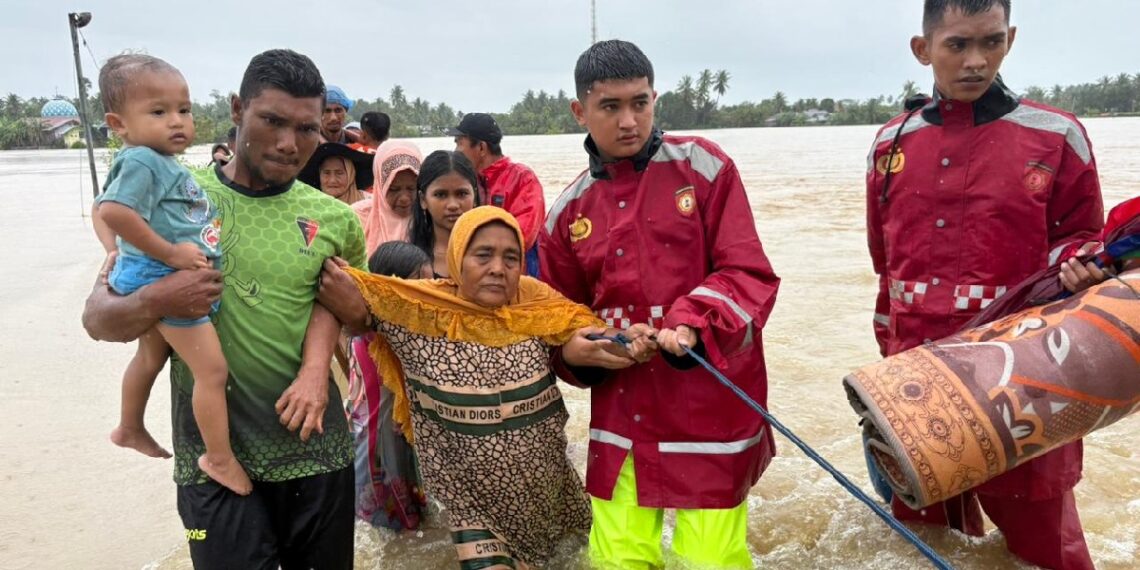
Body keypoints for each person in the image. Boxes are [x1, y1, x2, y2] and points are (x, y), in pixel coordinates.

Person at [82, 49, 365, 569]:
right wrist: (158, 297)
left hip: (314, 448)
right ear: (237, 110)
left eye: (306, 128)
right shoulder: (172, 194)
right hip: (207, 465)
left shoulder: (336, 219)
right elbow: (99, 319)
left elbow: (349, 308)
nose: (288, 142)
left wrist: (313, 370)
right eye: (272, 121)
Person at [864, 1, 1104, 568]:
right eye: (957, 45)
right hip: (916, 377)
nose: (976, 61)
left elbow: (1082, 236)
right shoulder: (888, 146)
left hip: (1027, 377)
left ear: (1010, 39)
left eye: (990, 42)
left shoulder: (1058, 136)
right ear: (922, 50)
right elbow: (884, 262)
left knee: (1047, 546)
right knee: (923, 544)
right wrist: (883, 383)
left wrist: (1079, 262)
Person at [540, 39, 781, 569]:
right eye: (610, 107)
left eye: (640, 103)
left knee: (710, 560)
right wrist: (579, 354)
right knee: (616, 558)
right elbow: (557, 326)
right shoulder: (565, 214)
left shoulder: (705, 168)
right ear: (580, 111)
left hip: (708, 401)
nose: (630, 120)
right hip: (622, 406)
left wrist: (690, 321)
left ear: (655, 99)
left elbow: (749, 272)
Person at [318, 207, 656, 569]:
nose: (498, 267)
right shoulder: (419, 311)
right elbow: (344, 294)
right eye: (483, 255)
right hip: (475, 512)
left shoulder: (534, 307)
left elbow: (588, 334)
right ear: (457, 258)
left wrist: (629, 341)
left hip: (555, 497)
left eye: (511, 257)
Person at [92, 53, 251, 496]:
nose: (177, 121)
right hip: (163, 280)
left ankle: (129, 426)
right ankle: (217, 457)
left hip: (155, 272)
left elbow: (105, 208)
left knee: (150, 357)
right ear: (118, 123)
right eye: (159, 112)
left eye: (184, 109)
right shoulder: (142, 159)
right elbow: (112, 211)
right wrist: (171, 254)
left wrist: (121, 253)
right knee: (212, 372)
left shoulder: (160, 162)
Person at [346, 240, 431, 530]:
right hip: (377, 445)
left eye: (430, 287)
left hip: (381, 439)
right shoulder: (374, 338)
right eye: (416, 288)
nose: (425, 297)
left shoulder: (375, 329)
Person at [449, 112, 545, 277]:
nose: (455, 151)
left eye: (459, 143)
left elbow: (523, 236)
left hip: (513, 276)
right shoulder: (464, 180)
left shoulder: (523, 178)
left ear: (481, 147)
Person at [407, 150, 478, 278]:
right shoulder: (408, 260)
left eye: (462, 193)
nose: (453, 205)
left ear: (475, 196)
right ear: (423, 200)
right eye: (440, 195)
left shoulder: (491, 254)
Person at [353, 140, 423, 256]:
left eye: (411, 188)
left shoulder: (430, 220)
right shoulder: (358, 217)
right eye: (394, 189)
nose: (404, 198)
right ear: (380, 187)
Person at [298, 142, 374, 205]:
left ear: (351, 175)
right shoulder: (309, 205)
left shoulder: (370, 204)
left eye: (339, 173)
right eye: (326, 173)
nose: (332, 180)